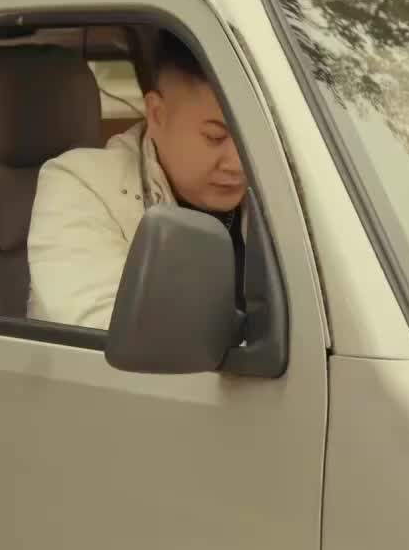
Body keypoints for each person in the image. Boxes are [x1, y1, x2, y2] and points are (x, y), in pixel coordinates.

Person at [27, 30, 247, 329]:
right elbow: (107, 332)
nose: (238, 163)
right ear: (157, 114)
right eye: (215, 136)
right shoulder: (80, 185)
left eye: (249, 140)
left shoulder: (280, 186)